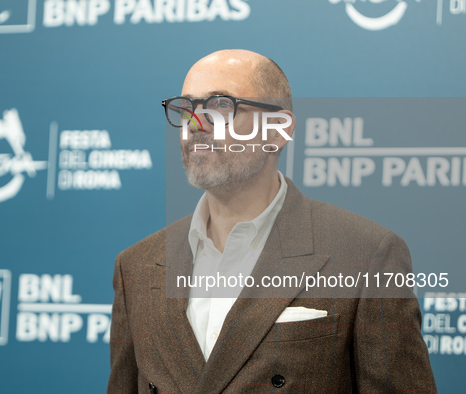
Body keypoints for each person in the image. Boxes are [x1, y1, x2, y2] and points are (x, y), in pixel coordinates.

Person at [107, 49, 437, 393]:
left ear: (279, 131)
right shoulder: (136, 268)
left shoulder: (367, 256)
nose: (196, 124)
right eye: (186, 108)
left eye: (221, 106)